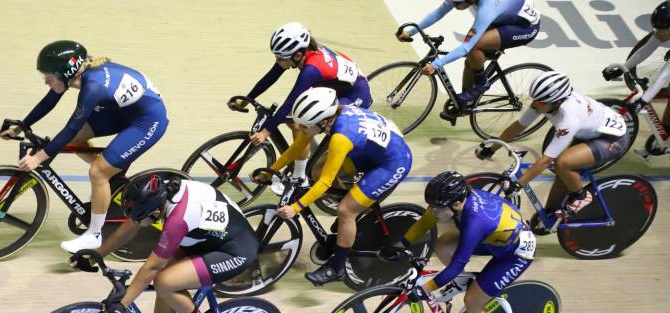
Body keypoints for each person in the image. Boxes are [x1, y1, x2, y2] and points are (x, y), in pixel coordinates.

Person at [0, 40, 168, 253]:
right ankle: (112, 176)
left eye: (47, 77)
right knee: (75, 144)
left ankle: (94, 235)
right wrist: (22, 126)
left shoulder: (93, 88)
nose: (45, 82)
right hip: (122, 110)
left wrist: (37, 158)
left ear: (63, 74)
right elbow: (50, 100)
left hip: (147, 120)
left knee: (97, 172)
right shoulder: (79, 71)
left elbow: (70, 127)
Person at [72, 174, 259, 313]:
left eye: (143, 218)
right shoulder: (157, 194)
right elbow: (128, 228)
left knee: (165, 282)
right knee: (165, 279)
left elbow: (152, 267)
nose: (139, 223)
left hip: (235, 251)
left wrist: (124, 303)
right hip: (204, 238)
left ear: (155, 210)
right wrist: (96, 255)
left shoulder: (177, 219)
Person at [253, 87, 411, 286]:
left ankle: (336, 268)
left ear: (323, 122)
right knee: (317, 170)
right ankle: (355, 212)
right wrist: (271, 170)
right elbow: (297, 147)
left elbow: (325, 183)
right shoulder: (328, 116)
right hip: (371, 150)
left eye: (304, 126)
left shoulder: (340, 138)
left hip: (392, 163)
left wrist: (296, 207)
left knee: (345, 210)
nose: (299, 129)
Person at [399, 171, 536, 313]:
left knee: (472, 301)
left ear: (457, 204)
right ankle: (464, 282)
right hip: (495, 238)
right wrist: (401, 246)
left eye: (437, 207)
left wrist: (424, 290)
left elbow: (456, 265)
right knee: (443, 245)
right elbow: (425, 222)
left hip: (515, 254)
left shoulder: (475, 221)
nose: (432, 211)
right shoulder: (455, 200)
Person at [477, 71, 629, 220]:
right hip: (591, 131)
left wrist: (518, 185)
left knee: (562, 163)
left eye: (540, 102)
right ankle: (549, 216)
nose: (535, 105)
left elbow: (546, 160)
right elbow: (519, 126)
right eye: (534, 100)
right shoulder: (544, 102)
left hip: (612, 140)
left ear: (557, 102)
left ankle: (581, 196)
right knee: (562, 172)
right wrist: (492, 149)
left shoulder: (569, 119)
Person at [231, 22, 372, 182]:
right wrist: (248, 99)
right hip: (332, 86)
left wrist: (265, 132)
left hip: (355, 95)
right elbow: (271, 77)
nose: (277, 61)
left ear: (297, 55)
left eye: (280, 58)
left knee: (309, 121)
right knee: (295, 119)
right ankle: (300, 168)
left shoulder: (310, 70)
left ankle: (303, 175)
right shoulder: (300, 53)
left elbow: (289, 102)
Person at [396, 0, 540, 107]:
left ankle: (482, 84)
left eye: (458, 3)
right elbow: (439, 12)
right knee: (471, 60)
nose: (454, 5)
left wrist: (436, 64)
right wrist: (411, 31)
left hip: (524, 27)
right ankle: (464, 102)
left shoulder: (487, 9)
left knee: (474, 46)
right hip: (504, 17)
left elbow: (466, 47)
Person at [602, 2, 670, 155]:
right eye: (656, 28)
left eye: (662, 30)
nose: (657, 33)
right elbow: (643, 51)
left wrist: (643, 101)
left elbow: (664, 75)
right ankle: (666, 136)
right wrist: (621, 68)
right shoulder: (663, 30)